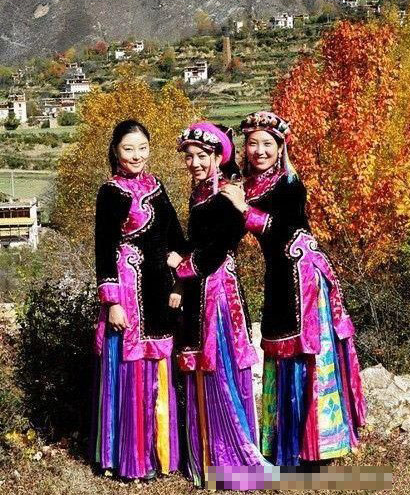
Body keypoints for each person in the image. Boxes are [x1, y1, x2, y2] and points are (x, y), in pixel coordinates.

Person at [220, 110, 367, 466]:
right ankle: (282, 442)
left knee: (306, 352)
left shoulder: (289, 183)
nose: (259, 151)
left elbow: (283, 228)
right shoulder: (248, 185)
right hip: (279, 276)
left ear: (280, 147)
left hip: (304, 279)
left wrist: (243, 209)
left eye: (267, 144)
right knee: (279, 346)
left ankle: (317, 444)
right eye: (252, 143)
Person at [167, 121, 267, 487]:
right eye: (189, 156)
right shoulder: (199, 193)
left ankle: (230, 458)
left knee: (219, 364)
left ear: (217, 156)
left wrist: (181, 267)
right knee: (201, 364)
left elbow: (217, 248)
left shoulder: (227, 193)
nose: (194, 163)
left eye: (201, 156)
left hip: (219, 293)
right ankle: (206, 460)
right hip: (201, 288)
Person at [91, 119, 185, 480]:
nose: (136, 156)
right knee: (130, 371)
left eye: (142, 148)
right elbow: (103, 249)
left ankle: (159, 454)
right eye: (128, 149)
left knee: (158, 366)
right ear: (116, 151)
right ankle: (130, 459)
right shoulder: (111, 192)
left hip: (159, 292)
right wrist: (112, 301)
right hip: (128, 294)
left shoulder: (157, 187)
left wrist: (182, 268)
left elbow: (176, 236)